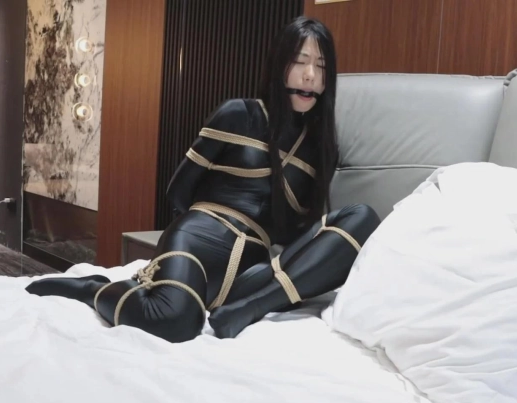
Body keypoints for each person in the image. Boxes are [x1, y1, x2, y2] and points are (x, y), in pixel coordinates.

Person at [25, 16, 381, 342]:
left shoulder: (321, 149)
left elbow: (295, 232)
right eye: (300, 62)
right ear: (279, 65)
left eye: (321, 66)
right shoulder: (239, 114)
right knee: (174, 320)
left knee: (363, 218)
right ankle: (93, 289)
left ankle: (249, 308)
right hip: (199, 238)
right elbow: (179, 190)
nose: (310, 76)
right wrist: (186, 242)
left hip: (252, 268)